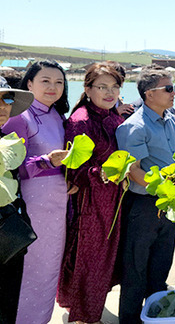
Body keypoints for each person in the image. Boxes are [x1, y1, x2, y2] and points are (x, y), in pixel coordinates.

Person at [55, 63, 126, 323]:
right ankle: (85, 315)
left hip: (113, 199)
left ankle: (87, 308)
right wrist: (102, 173)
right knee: (89, 258)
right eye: (102, 87)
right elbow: (73, 167)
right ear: (87, 89)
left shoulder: (114, 116)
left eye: (115, 87)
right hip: (90, 201)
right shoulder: (82, 120)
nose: (110, 93)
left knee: (106, 259)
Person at [2, 60, 70, 324]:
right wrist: (45, 161)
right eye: (45, 81)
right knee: (29, 267)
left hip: (58, 202)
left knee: (49, 268)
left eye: (59, 82)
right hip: (32, 202)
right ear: (29, 84)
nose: (53, 87)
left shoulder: (57, 116)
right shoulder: (20, 116)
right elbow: (10, 167)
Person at [115, 65, 175, 323]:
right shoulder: (134, 126)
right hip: (143, 205)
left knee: (161, 266)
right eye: (169, 88)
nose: (174, 93)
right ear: (148, 94)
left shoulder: (172, 118)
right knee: (135, 269)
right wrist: (168, 193)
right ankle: (129, 319)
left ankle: (155, 316)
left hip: (169, 203)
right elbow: (134, 172)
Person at [0, 77, 34, 324]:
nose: (2, 106)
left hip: (9, 235)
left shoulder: (7, 140)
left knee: (8, 303)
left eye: (7, 99)